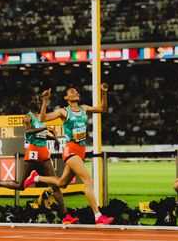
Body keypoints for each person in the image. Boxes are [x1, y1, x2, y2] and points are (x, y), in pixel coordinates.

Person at [23, 84, 114, 225]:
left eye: (77, 91)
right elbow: (42, 118)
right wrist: (45, 101)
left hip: (81, 150)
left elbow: (103, 109)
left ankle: (36, 178)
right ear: (66, 98)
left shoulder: (84, 108)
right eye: (72, 92)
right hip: (70, 150)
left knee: (61, 183)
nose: (76, 92)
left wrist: (104, 93)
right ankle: (98, 216)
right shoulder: (63, 112)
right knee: (88, 181)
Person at [0, 94, 78, 224]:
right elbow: (28, 131)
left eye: (39, 101)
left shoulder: (40, 118)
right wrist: (45, 127)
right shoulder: (27, 117)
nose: (38, 102)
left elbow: (40, 135)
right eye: (35, 100)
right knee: (20, 185)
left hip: (44, 154)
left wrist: (54, 139)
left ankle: (65, 216)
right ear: (29, 104)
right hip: (33, 153)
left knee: (56, 185)